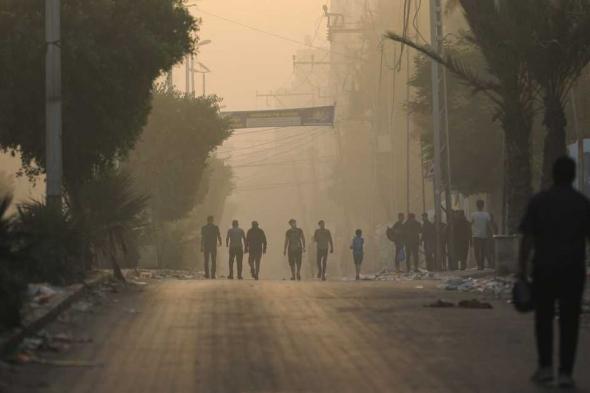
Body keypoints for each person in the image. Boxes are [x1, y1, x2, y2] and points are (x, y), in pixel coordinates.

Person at [519, 156, 589, 388]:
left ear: (553, 174)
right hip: (573, 270)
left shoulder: (539, 202)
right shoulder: (582, 204)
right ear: (573, 175)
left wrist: (521, 270)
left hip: (545, 269)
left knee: (544, 318)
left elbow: (527, 239)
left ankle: (546, 367)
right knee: (570, 320)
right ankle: (566, 371)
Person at [470, 199, 492, 270]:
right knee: (483, 251)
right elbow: (489, 225)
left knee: (476, 251)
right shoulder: (487, 214)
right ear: (483, 205)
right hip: (484, 235)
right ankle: (482, 265)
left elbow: (471, 223)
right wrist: (492, 233)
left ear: (476, 206)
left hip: (476, 236)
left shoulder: (473, 214)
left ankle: (479, 265)